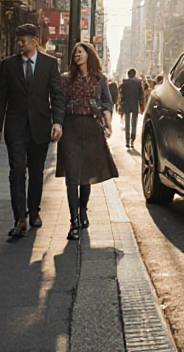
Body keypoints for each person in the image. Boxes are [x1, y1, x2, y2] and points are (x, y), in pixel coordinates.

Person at [0, 23, 66, 238]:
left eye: (23, 40)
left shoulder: (50, 64)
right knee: (16, 172)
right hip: (15, 127)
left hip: (40, 126)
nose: (19, 44)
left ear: (35, 40)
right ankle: (19, 218)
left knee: (36, 172)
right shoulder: (8, 65)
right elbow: (0, 97)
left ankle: (34, 212)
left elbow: (57, 95)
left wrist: (57, 122)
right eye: (17, 40)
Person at [57, 42, 119, 240]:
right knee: (72, 176)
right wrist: (57, 124)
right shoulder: (65, 79)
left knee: (86, 176)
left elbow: (107, 102)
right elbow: (59, 103)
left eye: (80, 51)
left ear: (89, 55)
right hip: (71, 128)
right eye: (74, 52)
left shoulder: (100, 79)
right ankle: (73, 221)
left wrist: (108, 124)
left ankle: (83, 211)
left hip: (92, 129)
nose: (76, 54)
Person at [119, 68, 143, 149]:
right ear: (135, 74)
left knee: (127, 123)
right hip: (135, 105)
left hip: (126, 105)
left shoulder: (124, 82)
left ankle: (127, 141)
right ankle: (133, 140)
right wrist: (141, 104)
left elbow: (122, 95)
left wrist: (120, 106)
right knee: (134, 123)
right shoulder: (138, 82)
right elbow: (141, 95)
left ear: (128, 74)